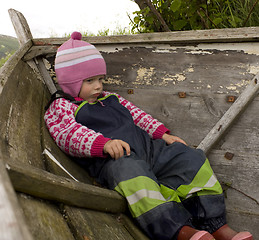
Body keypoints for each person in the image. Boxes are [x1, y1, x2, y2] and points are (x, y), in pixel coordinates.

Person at [44, 32, 253, 240]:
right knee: (134, 178)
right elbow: (67, 134)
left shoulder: (112, 98)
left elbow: (139, 117)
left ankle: (217, 226)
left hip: (149, 150)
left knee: (190, 158)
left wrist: (163, 135)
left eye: (100, 79)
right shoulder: (62, 106)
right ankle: (180, 232)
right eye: (90, 80)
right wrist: (103, 144)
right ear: (70, 83)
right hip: (118, 161)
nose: (98, 86)